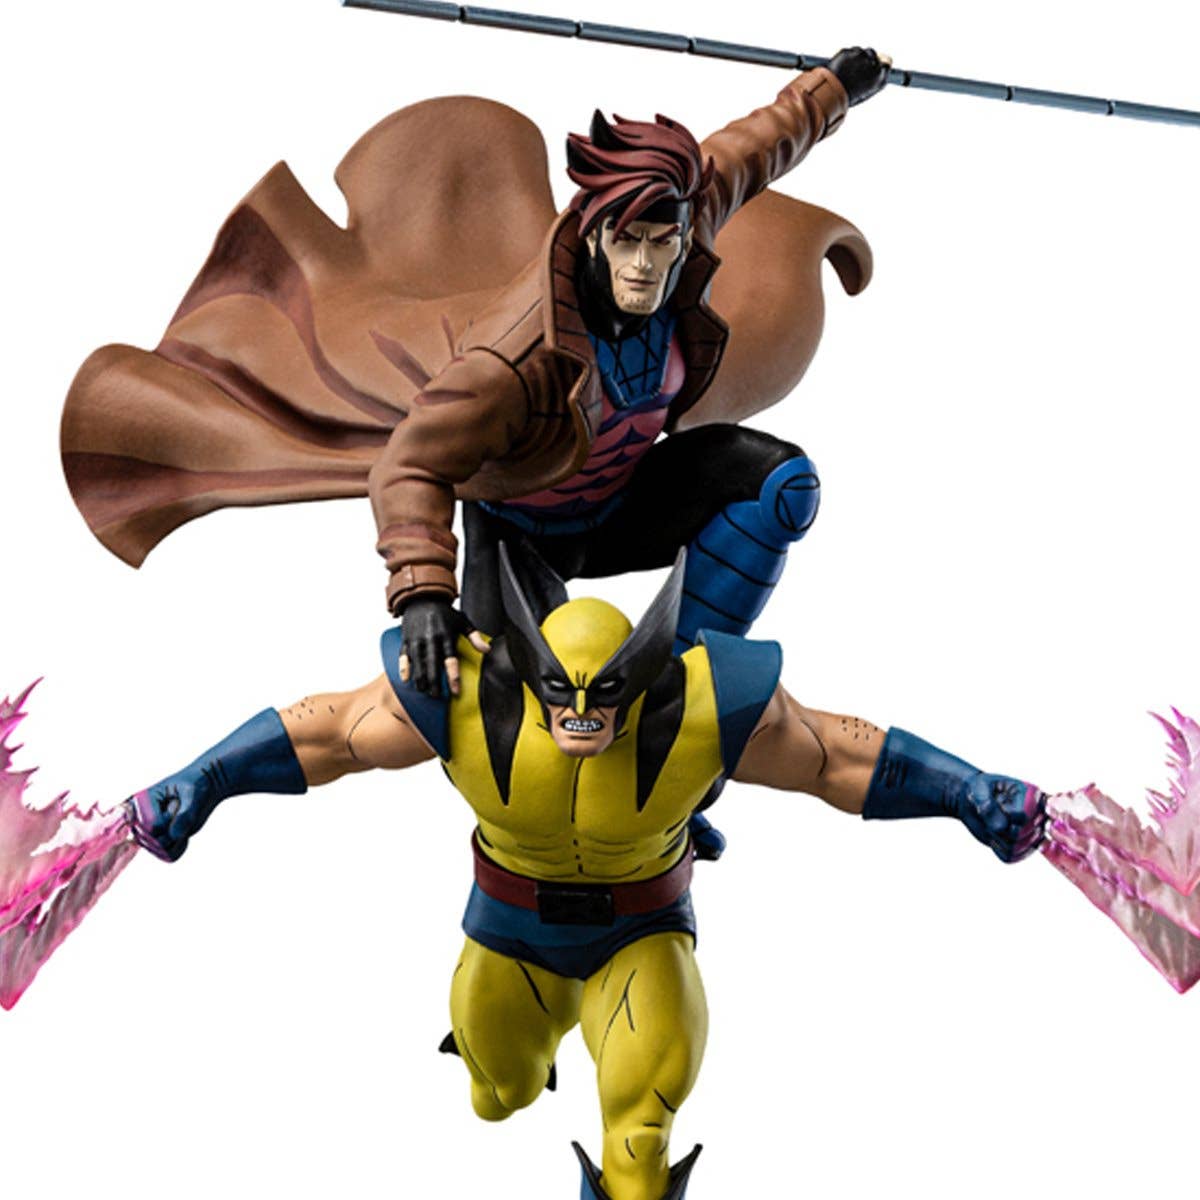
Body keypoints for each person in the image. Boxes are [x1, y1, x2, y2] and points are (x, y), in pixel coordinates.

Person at [128, 547, 1046, 1200]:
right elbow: (328, 732)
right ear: (526, 672)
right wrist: (201, 781)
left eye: (604, 693)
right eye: (560, 691)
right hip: (509, 936)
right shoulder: (467, 699)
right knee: (499, 1094)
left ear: (643, 676)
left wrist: (967, 792)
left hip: (638, 936)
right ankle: (510, 1062)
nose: (580, 714)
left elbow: (834, 755)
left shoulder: (696, 709)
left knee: (639, 1143)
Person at [61, 50, 889, 696]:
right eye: (627, 244)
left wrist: (837, 86)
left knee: (779, 483)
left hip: (626, 503)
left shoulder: (686, 213)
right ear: (592, 235)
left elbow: (756, 145)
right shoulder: (513, 354)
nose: (645, 266)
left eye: (662, 244)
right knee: (505, 707)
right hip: (521, 532)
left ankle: (678, 702)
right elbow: (410, 465)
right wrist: (422, 594)